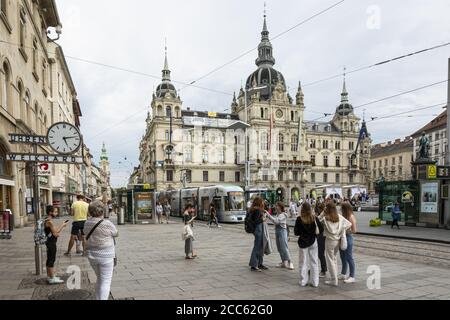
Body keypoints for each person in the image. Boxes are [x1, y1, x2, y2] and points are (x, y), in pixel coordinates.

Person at [84, 200, 119, 300]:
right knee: (105, 282)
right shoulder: (107, 223)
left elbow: (85, 233)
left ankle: (97, 297)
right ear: (102, 211)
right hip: (106, 256)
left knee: (99, 279)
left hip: (92, 256)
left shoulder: (87, 223)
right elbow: (116, 233)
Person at [318, 202, 352, 286]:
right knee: (334, 259)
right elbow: (349, 224)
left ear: (327, 209)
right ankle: (335, 277)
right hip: (338, 241)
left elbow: (317, 220)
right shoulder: (339, 217)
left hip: (329, 241)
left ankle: (334, 280)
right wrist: (341, 231)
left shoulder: (326, 219)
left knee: (330, 260)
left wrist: (322, 213)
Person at [295, 202, 323, 287]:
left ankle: (303, 281)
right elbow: (321, 229)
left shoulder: (299, 219)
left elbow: (296, 232)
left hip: (303, 242)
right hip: (313, 241)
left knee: (303, 262)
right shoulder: (314, 218)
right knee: (314, 261)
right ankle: (315, 282)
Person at [44, 205, 68, 284]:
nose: (56, 213)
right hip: (51, 243)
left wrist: (57, 229)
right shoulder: (49, 221)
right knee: (51, 260)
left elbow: (53, 231)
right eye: (55, 212)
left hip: (49, 242)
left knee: (49, 259)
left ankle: (49, 276)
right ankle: (52, 278)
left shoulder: (47, 220)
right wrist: (62, 225)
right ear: (50, 212)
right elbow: (55, 233)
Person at [266, 202, 294, 270]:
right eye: (275, 206)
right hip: (278, 232)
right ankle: (283, 262)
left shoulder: (283, 215)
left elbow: (276, 222)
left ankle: (290, 262)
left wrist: (268, 215)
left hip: (282, 232)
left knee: (284, 247)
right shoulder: (278, 214)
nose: (275, 207)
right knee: (279, 248)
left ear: (280, 207)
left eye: (277, 206)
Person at [338, 202, 357, 283]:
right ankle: (343, 273)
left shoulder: (351, 216)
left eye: (342, 208)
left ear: (345, 209)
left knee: (349, 257)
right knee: (342, 257)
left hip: (348, 238)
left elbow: (354, 230)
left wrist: (344, 231)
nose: (340, 209)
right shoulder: (344, 216)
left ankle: (352, 276)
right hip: (342, 238)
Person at [248, 197, 268, 272]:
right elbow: (256, 221)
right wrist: (262, 219)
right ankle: (254, 265)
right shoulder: (257, 210)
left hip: (258, 230)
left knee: (260, 247)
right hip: (258, 230)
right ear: (259, 202)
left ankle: (259, 263)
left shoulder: (254, 209)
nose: (263, 203)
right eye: (262, 201)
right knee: (257, 247)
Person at [314, 203, 327, 278]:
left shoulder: (324, 215)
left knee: (320, 253)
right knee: (319, 253)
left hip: (322, 236)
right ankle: (320, 269)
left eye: (319, 208)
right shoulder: (322, 215)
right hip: (321, 235)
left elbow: (319, 220)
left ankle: (323, 270)